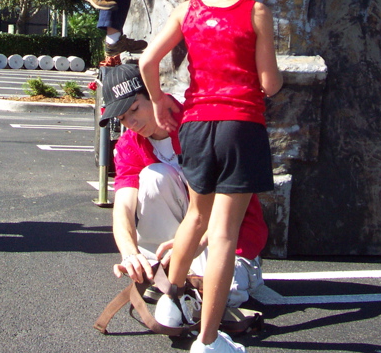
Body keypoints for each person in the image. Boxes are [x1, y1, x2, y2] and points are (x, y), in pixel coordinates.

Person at [139, 0, 283, 353]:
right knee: (223, 234)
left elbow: (146, 63)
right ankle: (207, 345)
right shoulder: (256, 12)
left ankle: (169, 300)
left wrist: (160, 101)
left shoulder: (189, 9)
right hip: (241, 127)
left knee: (196, 218)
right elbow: (268, 84)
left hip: (197, 126)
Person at [100, 63, 268, 309]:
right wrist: (129, 253)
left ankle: (227, 271)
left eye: (135, 109)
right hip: (182, 242)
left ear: (153, 93)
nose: (132, 123)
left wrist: (190, 247)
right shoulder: (129, 144)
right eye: (123, 118)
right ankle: (158, 266)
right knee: (154, 176)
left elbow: (228, 205)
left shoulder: (198, 122)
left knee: (225, 296)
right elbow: (123, 207)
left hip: (227, 235)